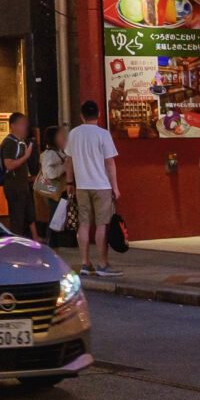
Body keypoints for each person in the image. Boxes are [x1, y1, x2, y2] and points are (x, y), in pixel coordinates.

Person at [65, 101, 121, 276]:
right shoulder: (103, 134)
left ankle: (84, 263)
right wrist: (115, 187)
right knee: (102, 225)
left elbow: (69, 160)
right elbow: (110, 163)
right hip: (102, 185)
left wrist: (69, 183)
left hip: (82, 185)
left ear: (82, 116)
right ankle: (102, 264)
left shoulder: (74, 134)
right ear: (98, 114)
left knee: (84, 224)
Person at [0, 124, 39, 238]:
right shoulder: (10, 143)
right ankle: (18, 245)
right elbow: (9, 165)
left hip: (23, 186)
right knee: (17, 218)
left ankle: (34, 238)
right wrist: (26, 157)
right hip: (15, 187)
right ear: (13, 126)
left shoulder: (20, 142)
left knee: (27, 214)